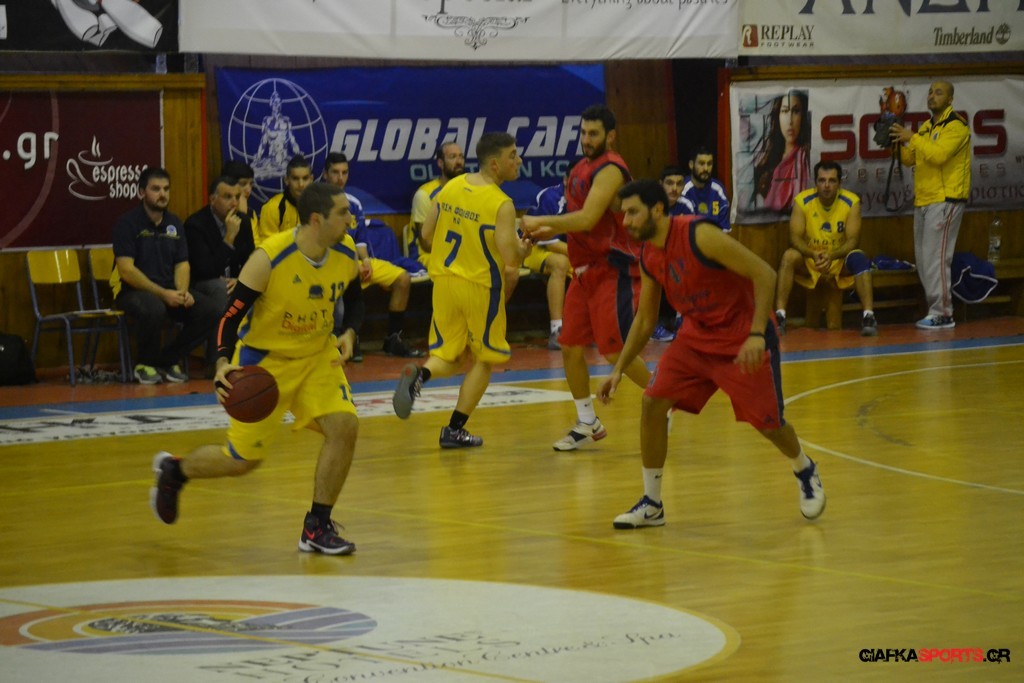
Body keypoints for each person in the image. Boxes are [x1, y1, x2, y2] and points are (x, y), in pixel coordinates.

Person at [150, 182, 365, 555]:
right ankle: (176, 471)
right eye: (343, 213)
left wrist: (350, 331)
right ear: (317, 220)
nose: (351, 219)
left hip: (318, 357)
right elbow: (229, 317)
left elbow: (357, 296)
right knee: (241, 462)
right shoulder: (269, 258)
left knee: (345, 427)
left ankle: (316, 526)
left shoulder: (345, 250)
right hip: (266, 364)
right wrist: (221, 361)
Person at [597, 179, 825, 529]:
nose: (625, 221)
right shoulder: (648, 254)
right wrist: (619, 369)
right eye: (623, 214)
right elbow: (644, 320)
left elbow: (764, 273)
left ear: (657, 210)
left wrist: (756, 335)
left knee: (769, 425)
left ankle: (804, 468)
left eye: (632, 212)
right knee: (653, 403)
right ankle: (652, 504)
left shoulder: (698, 234)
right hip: (696, 337)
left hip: (742, 337)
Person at [520, 105, 651, 451]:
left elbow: (589, 218)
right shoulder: (580, 168)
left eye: (594, 133)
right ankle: (587, 421)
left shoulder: (611, 169)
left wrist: (541, 222)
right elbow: (575, 221)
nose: (587, 139)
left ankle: (663, 395)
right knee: (569, 346)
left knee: (614, 351)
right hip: (583, 271)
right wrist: (544, 233)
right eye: (583, 133)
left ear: (610, 136)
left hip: (612, 268)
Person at [391, 132, 531, 448]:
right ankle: (454, 429)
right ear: (495, 164)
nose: (518, 160)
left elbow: (426, 235)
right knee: (485, 359)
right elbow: (511, 259)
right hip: (480, 287)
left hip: (444, 283)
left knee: (449, 355)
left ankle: (420, 376)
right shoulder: (501, 204)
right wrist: (525, 248)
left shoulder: (450, 187)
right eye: (512, 155)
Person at [112, 167, 221, 385]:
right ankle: (145, 364)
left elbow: (182, 264)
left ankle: (167, 359)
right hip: (133, 292)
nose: (162, 194)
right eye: (155, 189)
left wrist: (182, 292)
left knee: (211, 310)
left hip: (169, 290)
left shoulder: (174, 223)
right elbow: (126, 270)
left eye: (166, 189)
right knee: (154, 308)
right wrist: (163, 294)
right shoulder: (127, 223)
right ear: (141, 192)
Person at [324, 151, 424, 360]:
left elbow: (360, 240)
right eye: (335, 172)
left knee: (402, 279)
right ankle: (348, 337)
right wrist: (354, 264)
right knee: (345, 289)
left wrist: (366, 261)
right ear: (325, 174)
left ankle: (393, 339)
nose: (340, 178)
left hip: (357, 262)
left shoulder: (353, 203)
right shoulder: (318, 202)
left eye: (344, 172)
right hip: (333, 265)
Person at [891, 80, 972, 330]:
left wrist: (912, 137)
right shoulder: (926, 127)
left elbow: (938, 155)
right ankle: (935, 309)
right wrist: (895, 144)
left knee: (937, 258)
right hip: (924, 198)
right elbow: (911, 159)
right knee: (924, 259)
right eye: (930, 92)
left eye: (938, 93)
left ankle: (943, 312)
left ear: (950, 99)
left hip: (946, 198)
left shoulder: (957, 126)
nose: (932, 96)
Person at [775, 161, 877, 337]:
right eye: (822, 180)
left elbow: (853, 240)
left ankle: (869, 316)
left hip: (838, 260)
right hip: (811, 259)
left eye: (832, 180)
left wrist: (833, 255)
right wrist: (812, 254)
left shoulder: (851, 202)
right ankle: (780, 316)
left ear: (839, 183)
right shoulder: (802, 201)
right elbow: (794, 238)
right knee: (789, 256)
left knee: (860, 258)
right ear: (815, 182)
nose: (826, 185)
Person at [184, 175, 257, 372]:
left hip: (233, 281)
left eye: (237, 197)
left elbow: (251, 260)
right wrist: (229, 238)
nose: (233, 202)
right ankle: (216, 360)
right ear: (212, 199)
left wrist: (241, 279)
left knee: (254, 289)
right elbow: (205, 270)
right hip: (201, 284)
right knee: (219, 289)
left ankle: (251, 356)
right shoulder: (196, 225)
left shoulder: (243, 221)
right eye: (227, 197)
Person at [506, 173, 572, 351]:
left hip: (564, 249)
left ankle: (592, 327)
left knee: (596, 265)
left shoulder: (587, 198)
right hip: (531, 247)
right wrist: (584, 255)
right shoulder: (551, 197)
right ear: (566, 180)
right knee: (561, 264)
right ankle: (557, 330)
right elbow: (550, 243)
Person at [753, 89, 811, 213]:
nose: (790, 120)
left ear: (803, 116)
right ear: (778, 115)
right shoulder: (768, 160)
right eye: (784, 111)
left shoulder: (805, 159)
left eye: (796, 111)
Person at [409, 142, 466, 266]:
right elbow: (426, 243)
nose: (459, 161)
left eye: (461, 157)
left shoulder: (468, 193)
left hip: (456, 254)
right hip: (426, 256)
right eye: (452, 157)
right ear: (440, 163)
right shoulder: (424, 195)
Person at [257, 154, 312, 245]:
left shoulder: (319, 206)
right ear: (286, 180)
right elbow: (268, 248)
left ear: (311, 179)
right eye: (295, 178)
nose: (301, 184)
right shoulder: (272, 208)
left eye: (305, 178)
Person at [681, 146, 731, 232]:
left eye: (709, 164)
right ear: (691, 165)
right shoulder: (683, 190)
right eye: (701, 163)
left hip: (716, 237)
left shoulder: (718, 189)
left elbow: (725, 226)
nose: (706, 168)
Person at [221, 159, 261, 239]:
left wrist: (244, 216)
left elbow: (255, 243)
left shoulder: (251, 213)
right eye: (243, 184)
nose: (248, 190)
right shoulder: (219, 214)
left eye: (251, 184)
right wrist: (241, 216)